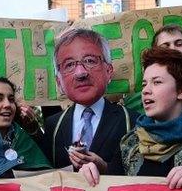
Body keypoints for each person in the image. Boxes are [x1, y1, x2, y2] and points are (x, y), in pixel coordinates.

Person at [80, 47, 182, 188]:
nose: (146, 91)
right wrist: (92, 177)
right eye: (144, 84)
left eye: (157, 82)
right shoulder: (130, 143)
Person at [43, 28, 138, 172]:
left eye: (89, 61)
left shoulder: (133, 121)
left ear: (109, 70)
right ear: (58, 81)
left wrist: (106, 169)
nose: (81, 73)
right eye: (69, 65)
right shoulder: (53, 125)